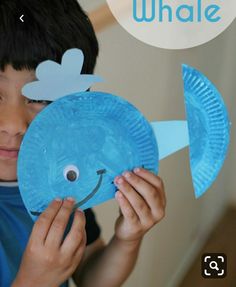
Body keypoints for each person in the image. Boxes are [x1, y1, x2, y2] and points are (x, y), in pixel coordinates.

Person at [0, 1, 166, 286]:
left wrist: (127, 238)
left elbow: (89, 276)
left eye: (40, 97)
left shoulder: (62, 178)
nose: (13, 125)